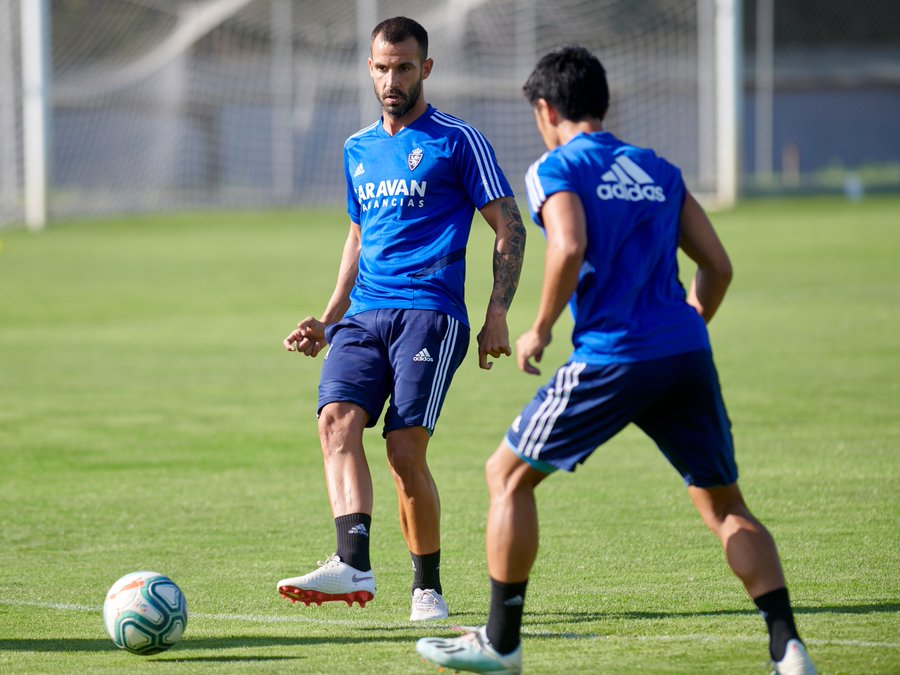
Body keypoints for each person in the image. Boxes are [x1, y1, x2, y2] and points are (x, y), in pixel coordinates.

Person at [417, 45, 816, 673]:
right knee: (725, 507)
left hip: (612, 355)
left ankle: (501, 642)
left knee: (507, 476)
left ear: (546, 109)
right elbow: (718, 266)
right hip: (684, 352)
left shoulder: (557, 167)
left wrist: (540, 329)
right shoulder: (657, 167)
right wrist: (684, 328)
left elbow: (568, 243)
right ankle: (787, 647)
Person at [276, 16, 526, 623]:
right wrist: (328, 319)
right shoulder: (356, 148)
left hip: (430, 313)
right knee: (335, 420)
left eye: (405, 68)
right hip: (364, 314)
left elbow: (510, 227)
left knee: (403, 451)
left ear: (426, 69)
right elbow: (357, 238)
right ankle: (352, 560)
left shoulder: (458, 140)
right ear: (370, 69)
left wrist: (496, 315)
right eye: (383, 68)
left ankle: (426, 589)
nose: (393, 79)